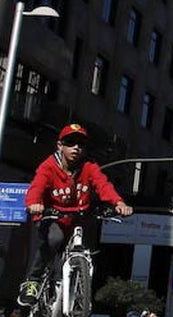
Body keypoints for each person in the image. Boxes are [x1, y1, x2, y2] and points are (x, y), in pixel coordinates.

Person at [17, 124, 133, 306]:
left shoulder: (89, 167)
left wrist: (118, 203)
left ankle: (79, 289)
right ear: (60, 146)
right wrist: (34, 204)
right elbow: (36, 187)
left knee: (89, 248)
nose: (76, 148)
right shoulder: (48, 167)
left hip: (79, 219)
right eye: (70, 143)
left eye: (81, 144)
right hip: (52, 217)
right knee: (54, 239)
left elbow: (103, 185)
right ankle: (33, 280)